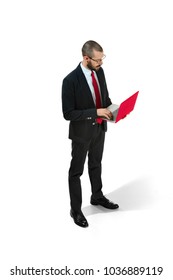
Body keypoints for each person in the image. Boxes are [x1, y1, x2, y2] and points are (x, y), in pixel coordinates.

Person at [62, 40, 119, 228]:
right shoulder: (70, 81)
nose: (100, 64)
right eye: (97, 60)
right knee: (76, 172)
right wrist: (95, 112)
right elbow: (68, 113)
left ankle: (97, 196)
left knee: (96, 165)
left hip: (99, 129)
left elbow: (105, 98)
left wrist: (115, 110)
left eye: (102, 59)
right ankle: (76, 210)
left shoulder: (100, 72)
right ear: (86, 58)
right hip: (81, 133)